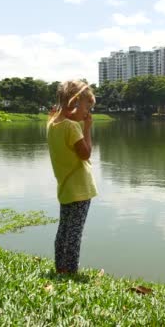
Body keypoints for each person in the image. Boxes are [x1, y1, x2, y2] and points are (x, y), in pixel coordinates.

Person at [46, 79, 97, 274]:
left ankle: (60, 268)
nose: (88, 113)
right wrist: (86, 128)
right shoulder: (72, 127)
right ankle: (71, 271)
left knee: (64, 230)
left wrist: (76, 118)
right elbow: (85, 154)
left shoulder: (51, 124)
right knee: (75, 233)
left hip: (65, 187)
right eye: (87, 107)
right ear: (75, 103)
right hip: (80, 189)